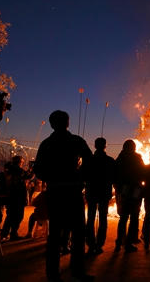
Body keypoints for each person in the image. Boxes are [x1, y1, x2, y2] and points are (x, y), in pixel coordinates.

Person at [34, 110, 93, 282]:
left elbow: (38, 169)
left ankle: (53, 274)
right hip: (73, 192)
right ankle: (77, 271)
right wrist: (79, 175)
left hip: (55, 192)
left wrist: (52, 176)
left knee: (54, 235)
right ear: (68, 123)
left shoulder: (47, 144)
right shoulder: (76, 141)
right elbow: (89, 161)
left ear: (52, 124)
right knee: (78, 233)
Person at [85, 137, 115, 255]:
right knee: (103, 219)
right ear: (105, 146)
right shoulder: (110, 161)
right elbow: (114, 177)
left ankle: (91, 244)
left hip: (91, 192)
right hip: (104, 193)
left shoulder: (89, 160)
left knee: (91, 218)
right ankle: (99, 245)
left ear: (95, 146)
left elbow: (84, 175)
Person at [114, 139, 145, 252]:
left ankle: (119, 242)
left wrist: (118, 188)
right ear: (133, 147)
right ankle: (128, 243)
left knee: (123, 217)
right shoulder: (137, 158)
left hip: (123, 190)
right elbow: (143, 172)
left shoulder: (119, 158)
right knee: (134, 217)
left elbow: (115, 175)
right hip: (135, 189)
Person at [0, 156, 28, 240]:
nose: (22, 163)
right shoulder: (19, 170)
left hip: (10, 196)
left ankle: (5, 233)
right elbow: (28, 176)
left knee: (10, 216)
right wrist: (32, 170)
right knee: (18, 216)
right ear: (20, 162)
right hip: (18, 197)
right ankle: (13, 234)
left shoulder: (9, 170)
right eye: (22, 162)